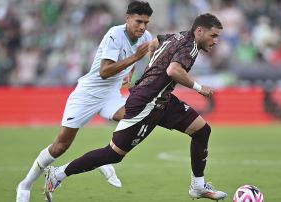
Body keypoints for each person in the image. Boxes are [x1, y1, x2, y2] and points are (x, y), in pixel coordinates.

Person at [43, 13, 227, 201]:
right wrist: (198, 88)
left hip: (162, 99)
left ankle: (197, 186)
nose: (216, 41)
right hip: (146, 103)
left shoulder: (178, 36)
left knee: (202, 130)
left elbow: (154, 43)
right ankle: (58, 173)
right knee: (113, 154)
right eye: (213, 35)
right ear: (199, 31)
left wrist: (151, 70)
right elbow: (173, 70)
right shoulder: (190, 47)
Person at [16, 1, 153, 201]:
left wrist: (129, 73)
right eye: (138, 21)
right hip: (87, 94)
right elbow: (104, 72)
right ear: (127, 19)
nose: (142, 27)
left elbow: (133, 61)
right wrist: (133, 59)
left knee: (136, 115)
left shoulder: (145, 37)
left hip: (111, 95)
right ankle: (25, 185)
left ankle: (101, 159)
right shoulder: (115, 34)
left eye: (146, 23)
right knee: (60, 146)